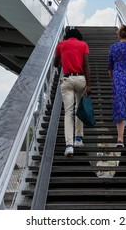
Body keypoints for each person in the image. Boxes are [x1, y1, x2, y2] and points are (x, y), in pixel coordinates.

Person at [54, 28, 91, 156]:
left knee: (68, 113)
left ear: (67, 36)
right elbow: (86, 64)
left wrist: (62, 59)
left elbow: (55, 64)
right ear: (78, 36)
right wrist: (89, 84)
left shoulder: (61, 45)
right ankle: (78, 139)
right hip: (81, 79)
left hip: (67, 79)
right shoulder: (83, 45)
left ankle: (69, 146)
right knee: (79, 109)